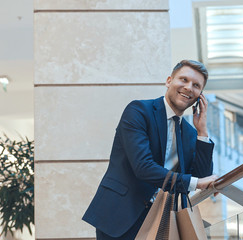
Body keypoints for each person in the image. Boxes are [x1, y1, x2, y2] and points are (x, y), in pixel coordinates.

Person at [82, 60, 218, 239]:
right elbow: (143, 167)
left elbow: (201, 175)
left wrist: (202, 132)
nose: (188, 87)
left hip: (161, 219)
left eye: (196, 85)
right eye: (183, 79)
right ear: (169, 81)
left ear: (200, 95)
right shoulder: (138, 111)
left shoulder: (190, 133)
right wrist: (197, 182)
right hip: (121, 215)